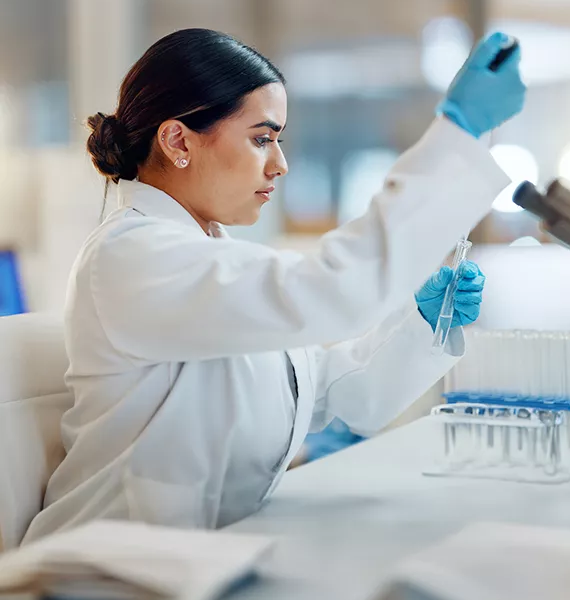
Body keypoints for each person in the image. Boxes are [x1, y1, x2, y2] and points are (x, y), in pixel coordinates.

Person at [23, 28, 525, 542]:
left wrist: (420, 325)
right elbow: (333, 291)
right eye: (262, 138)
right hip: (101, 574)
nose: (279, 164)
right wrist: (456, 134)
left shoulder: (207, 258)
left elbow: (341, 394)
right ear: (177, 140)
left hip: (196, 558)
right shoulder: (130, 257)